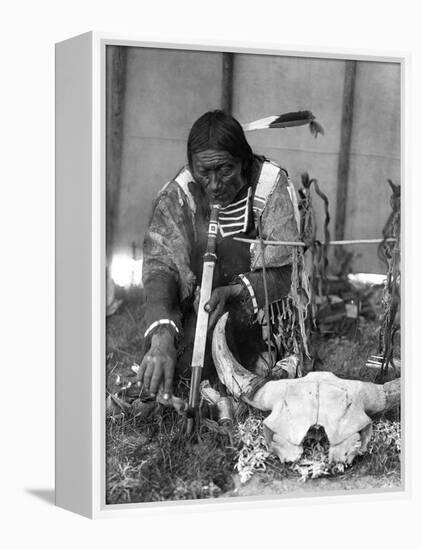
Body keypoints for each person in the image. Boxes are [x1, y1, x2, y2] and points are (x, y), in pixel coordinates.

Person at [137, 110, 300, 400]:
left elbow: (286, 272)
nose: (214, 185)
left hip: (256, 309)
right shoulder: (181, 191)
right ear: (191, 166)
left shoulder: (269, 185)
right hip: (200, 303)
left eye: (225, 169)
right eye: (205, 173)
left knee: (233, 368)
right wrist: (162, 337)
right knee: (180, 367)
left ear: (244, 160)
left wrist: (235, 291)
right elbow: (160, 264)